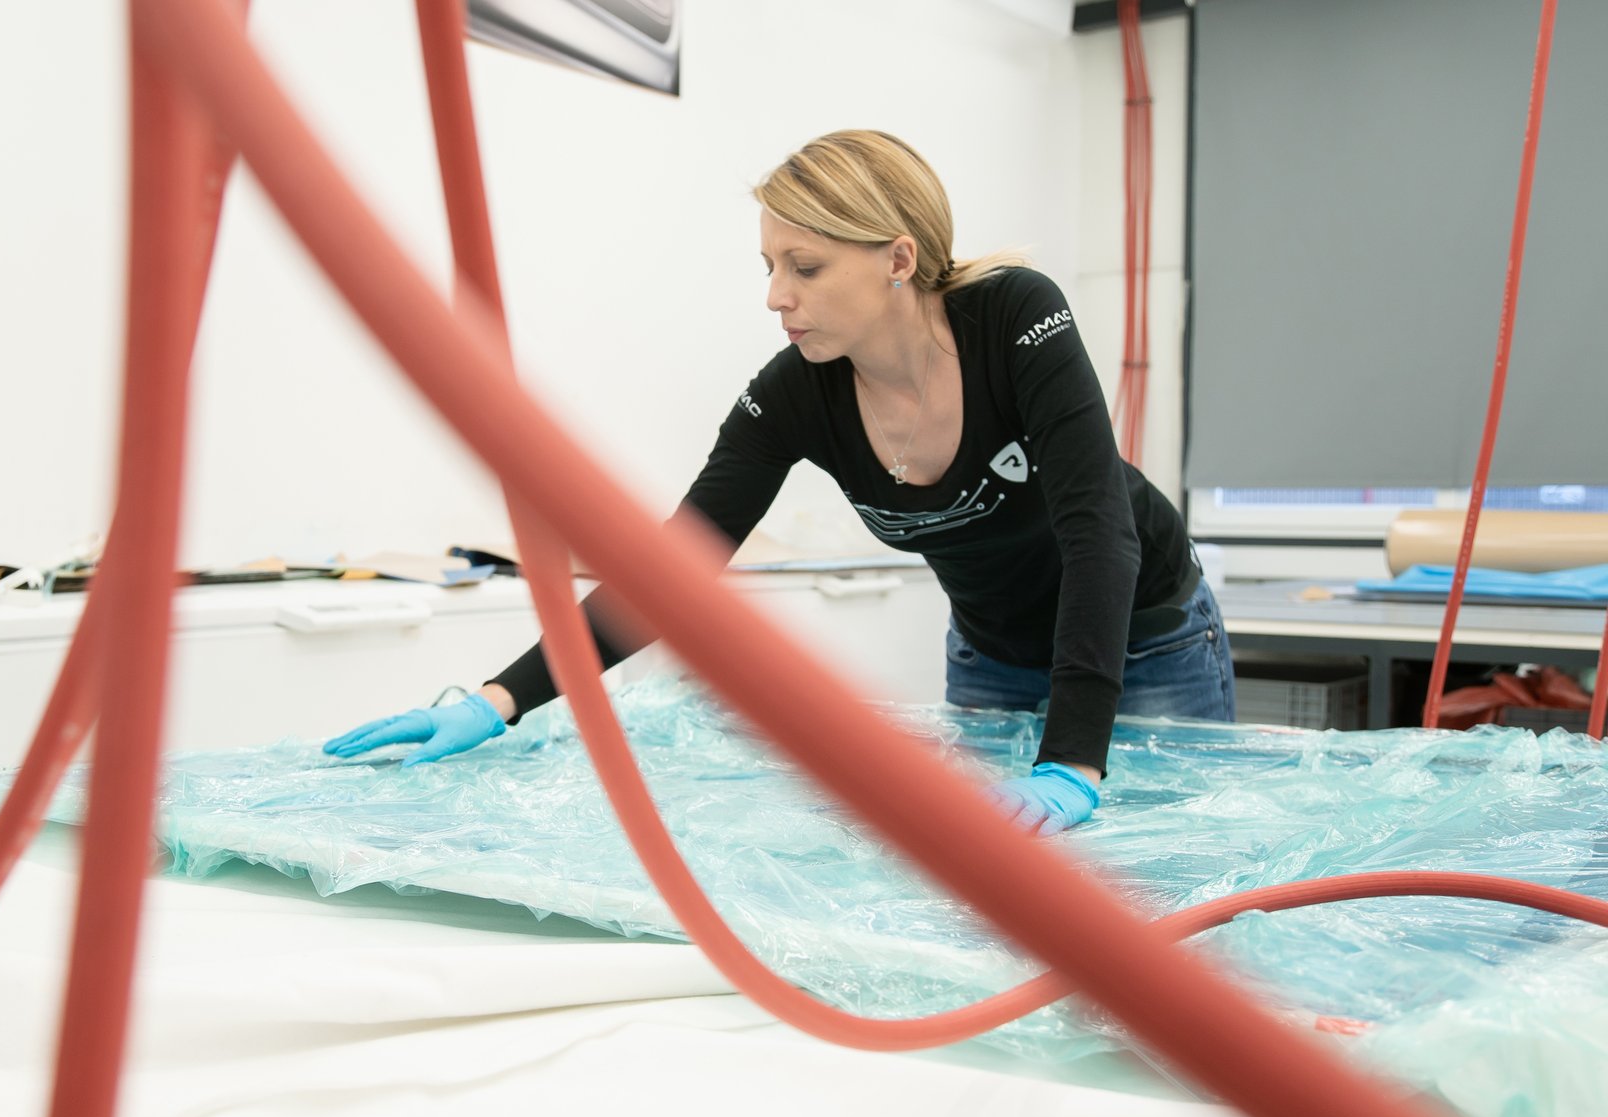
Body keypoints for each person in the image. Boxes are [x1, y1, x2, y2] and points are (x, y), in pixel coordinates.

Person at [324, 129, 1235, 835]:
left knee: (1179, 866)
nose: (775, 296)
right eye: (769, 266)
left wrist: (1072, 759)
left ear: (898, 259)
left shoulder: (1015, 317)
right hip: (992, 655)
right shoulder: (795, 393)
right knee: (1009, 896)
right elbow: (669, 574)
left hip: (1144, 638)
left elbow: (1096, 535)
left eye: (805, 267)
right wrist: (498, 701)